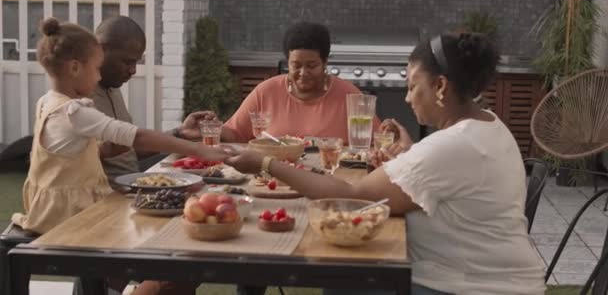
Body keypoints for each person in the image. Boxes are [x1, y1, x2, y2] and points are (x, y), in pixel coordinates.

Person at [226, 33, 546, 295]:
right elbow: (438, 174)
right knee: (348, 275)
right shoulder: (487, 123)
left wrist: (267, 164)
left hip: (471, 286)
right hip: (494, 277)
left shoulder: (452, 145)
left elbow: (355, 199)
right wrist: (408, 156)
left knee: (347, 277)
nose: (407, 98)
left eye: (411, 86)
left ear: (441, 87)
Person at [11, 17, 228, 235]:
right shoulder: (75, 110)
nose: (97, 76)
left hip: (60, 204)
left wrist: (178, 133)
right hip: (72, 213)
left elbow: (71, 154)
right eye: (96, 68)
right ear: (76, 67)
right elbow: (137, 137)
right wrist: (200, 149)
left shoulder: (48, 102)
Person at [92, 16, 215, 182]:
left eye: (136, 62)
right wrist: (197, 150)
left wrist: (180, 133)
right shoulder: (78, 98)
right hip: (107, 197)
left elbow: (128, 151)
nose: (133, 70)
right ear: (100, 50)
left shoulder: (112, 88)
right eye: (127, 62)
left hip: (133, 183)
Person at [221, 21, 379, 143]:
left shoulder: (349, 95)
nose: (303, 73)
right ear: (287, 62)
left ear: (325, 63)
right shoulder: (266, 92)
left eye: (312, 66)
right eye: (296, 65)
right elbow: (235, 134)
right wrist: (205, 130)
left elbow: (379, 140)